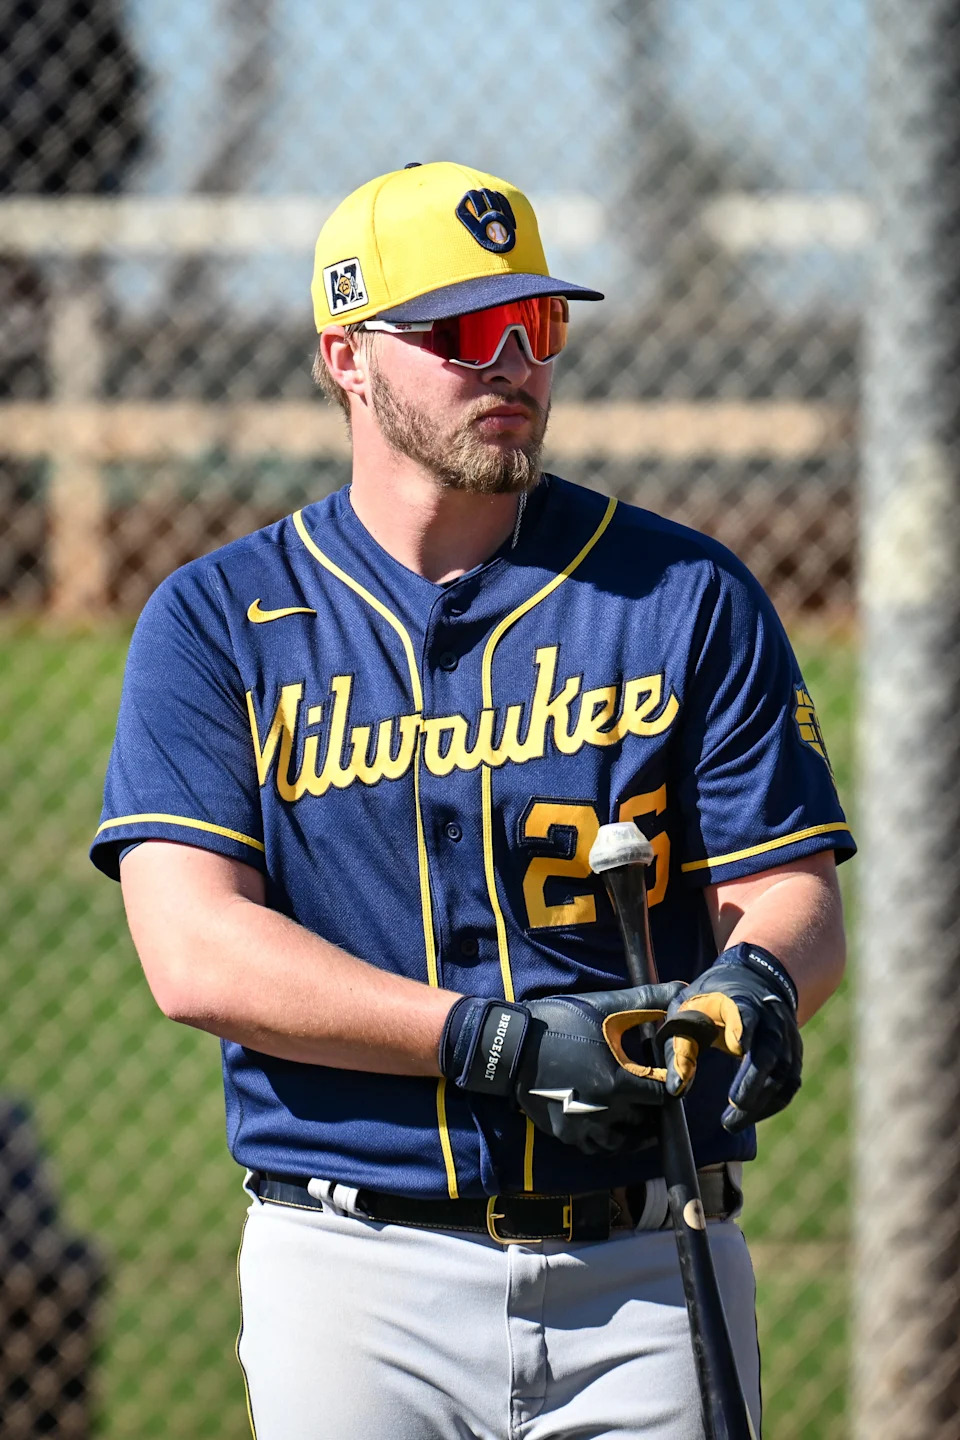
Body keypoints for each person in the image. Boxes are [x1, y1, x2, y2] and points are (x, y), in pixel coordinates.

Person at [91, 161, 853, 1439]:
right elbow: (192, 949)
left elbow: (789, 891)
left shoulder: (682, 595)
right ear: (346, 354)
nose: (512, 362)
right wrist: (487, 1042)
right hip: (353, 1270)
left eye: (536, 324)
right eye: (459, 332)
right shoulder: (220, 621)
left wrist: (762, 982)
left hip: (648, 1264)